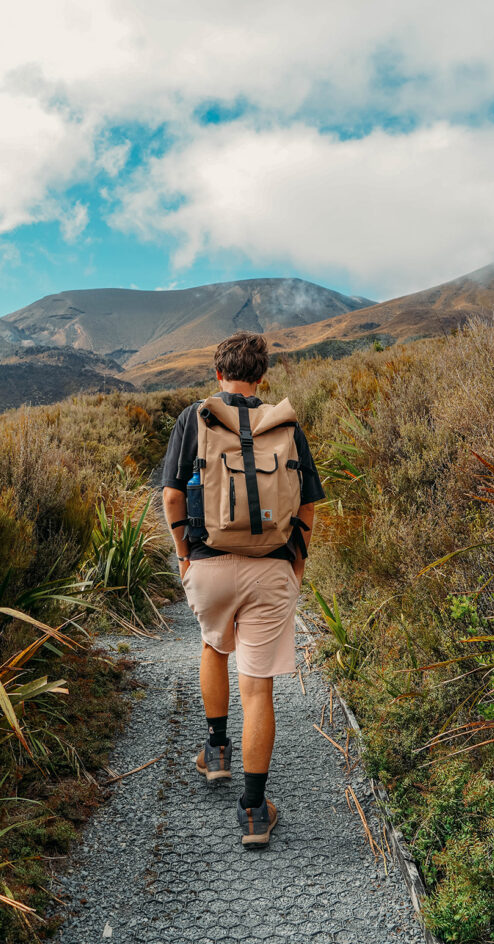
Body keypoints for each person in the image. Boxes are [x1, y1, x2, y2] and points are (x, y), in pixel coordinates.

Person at [160, 331, 325, 847]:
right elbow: (308, 507)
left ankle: (216, 752)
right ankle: (254, 811)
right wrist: (295, 564)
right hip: (271, 569)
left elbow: (170, 499)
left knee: (213, 645)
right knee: (258, 687)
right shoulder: (285, 424)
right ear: (263, 378)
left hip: (209, 564)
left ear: (217, 374)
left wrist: (186, 557)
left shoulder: (196, 417)